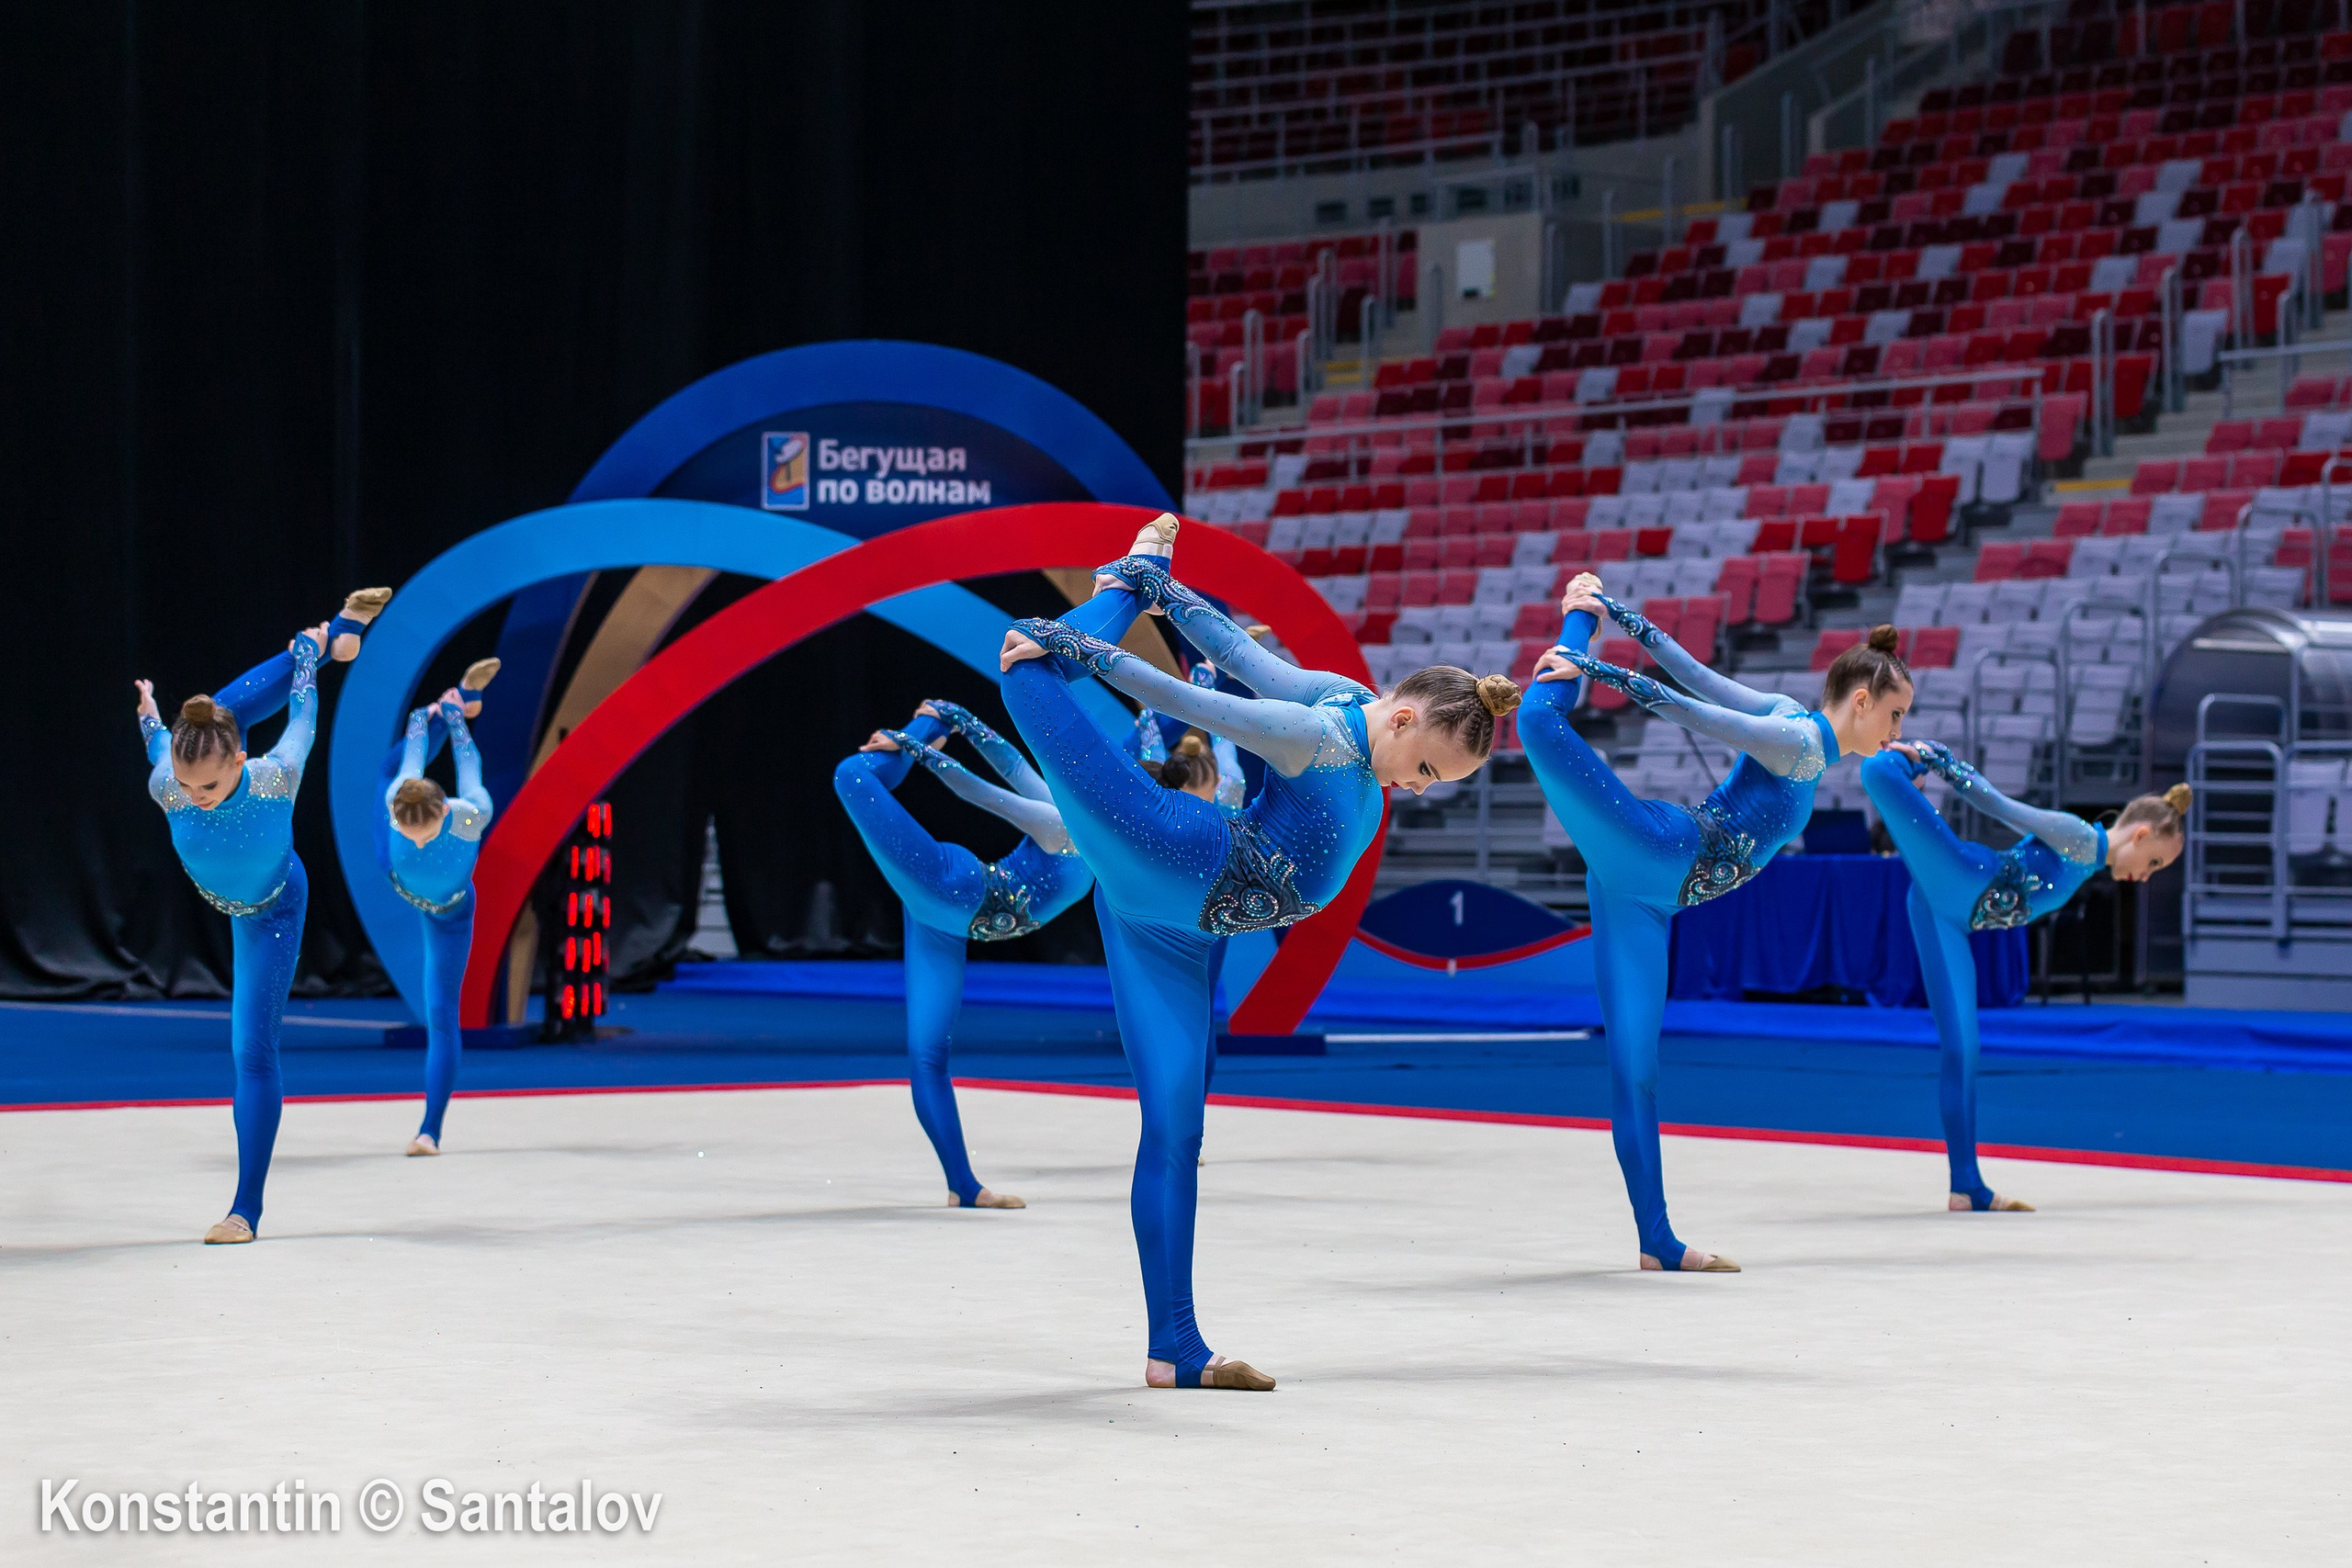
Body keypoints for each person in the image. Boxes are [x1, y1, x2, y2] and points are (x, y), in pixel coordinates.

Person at [997, 513, 1513, 1390]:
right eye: (1426, 769)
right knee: (1032, 678)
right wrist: (1082, 633)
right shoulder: (1317, 738)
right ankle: (1113, 592)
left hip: (1183, 926)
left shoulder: (1344, 699)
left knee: (1177, 1127)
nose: (1419, 791)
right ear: (1403, 716)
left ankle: (1175, 1349)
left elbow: (1241, 654)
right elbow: (1197, 701)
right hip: (1168, 852)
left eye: (1435, 785)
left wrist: (1169, 593)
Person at [1522, 583, 1909, 1272]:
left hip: (1645, 898)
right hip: (1656, 850)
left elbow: (1693, 671)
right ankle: (1573, 620)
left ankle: (1657, 1240)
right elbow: (1690, 709)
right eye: (1895, 714)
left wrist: (1627, 616)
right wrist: (1595, 655)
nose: (1897, 732)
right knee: (1538, 722)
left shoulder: (1794, 719)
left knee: (1635, 1069)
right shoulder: (1799, 743)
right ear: (1862, 702)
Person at [132, 588, 392, 1243]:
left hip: (275, 907)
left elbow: (302, 716)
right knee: (214, 714)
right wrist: (148, 716)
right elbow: (163, 748)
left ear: (242, 761)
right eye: (188, 786)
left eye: (210, 787)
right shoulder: (171, 785)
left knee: (252, 1050)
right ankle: (339, 633)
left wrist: (306, 661)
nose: (195, 799)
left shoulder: (277, 773)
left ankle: (245, 1209)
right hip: (236, 895)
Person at [1861, 743, 2189, 1212]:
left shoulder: (2087, 859)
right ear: (2140, 836)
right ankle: (1903, 755)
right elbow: (1998, 804)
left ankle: (1966, 1186)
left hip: (1948, 917)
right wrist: (1938, 758)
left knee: (1963, 1049)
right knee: (1878, 770)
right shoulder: (2078, 837)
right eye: (2154, 863)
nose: (2147, 876)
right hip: (1962, 876)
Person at [835, 699, 1096, 1208]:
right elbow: (993, 781)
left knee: (927, 1055)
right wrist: (936, 727)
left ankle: (964, 1186)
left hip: (948, 915)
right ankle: (919, 723)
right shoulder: (1064, 818)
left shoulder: (1080, 828)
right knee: (851, 774)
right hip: (952, 888)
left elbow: (995, 778)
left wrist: (938, 730)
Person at [381, 659, 503, 1157]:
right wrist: (418, 719)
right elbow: (411, 763)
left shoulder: (471, 814)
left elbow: (468, 765)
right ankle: (453, 699)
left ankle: (430, 1128)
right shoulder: (397, 802)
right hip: (411, 888)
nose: (417, 839)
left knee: (440, 1013)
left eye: (423, 832)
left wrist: (454, 721)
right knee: (391, 767)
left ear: (443, 813)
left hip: (450, 915)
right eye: (407, 831)